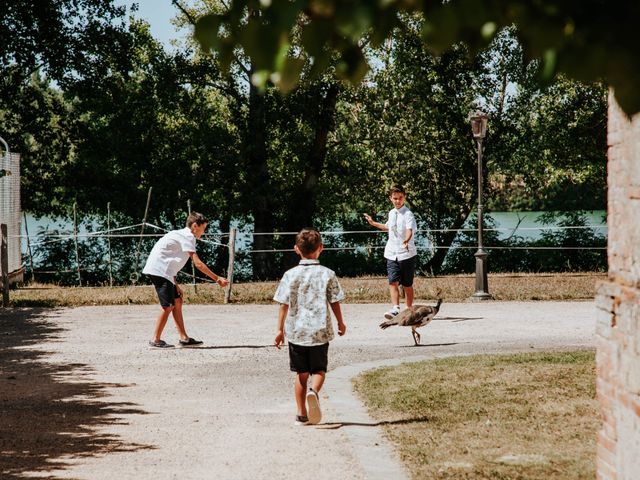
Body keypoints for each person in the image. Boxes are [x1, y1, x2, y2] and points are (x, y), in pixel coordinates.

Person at [273, 228, 347, 425]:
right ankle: (314, 392)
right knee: (319, 370)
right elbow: (334, 301)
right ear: (321, 248)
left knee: (301, 374)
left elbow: (283, 304)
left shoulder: (290, 275)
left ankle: (301, 414)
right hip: (320, 331)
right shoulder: (327, 274)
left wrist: (280, 330)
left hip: (297, 332)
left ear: (297, 249)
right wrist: (340, 322)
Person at [143, 212, 229, 349]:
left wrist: (175, 283)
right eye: (203, 228)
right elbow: (198, 264)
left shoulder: (184, 235)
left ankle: (184, 338)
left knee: (177, 301)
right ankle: (155, 340)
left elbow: (169, 259)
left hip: (165, 272)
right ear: (195, 226)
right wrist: (217, 279)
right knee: (168, 306)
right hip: (159, 271)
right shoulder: (188, 236)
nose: (204, 231)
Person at [363, 184, 418, 319]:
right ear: (390, 199)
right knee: (393, 281)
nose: (397, 201)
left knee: (407, 284)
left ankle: (409, 308)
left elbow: (410, 230)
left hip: (406, 254)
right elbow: (388, 227)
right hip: (392, 253)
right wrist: (373, 223)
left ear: (404, 197)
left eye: (400, 198)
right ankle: (395, 308)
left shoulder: (408, 214)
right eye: (395, 198)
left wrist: (406, 240)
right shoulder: (391, 213)